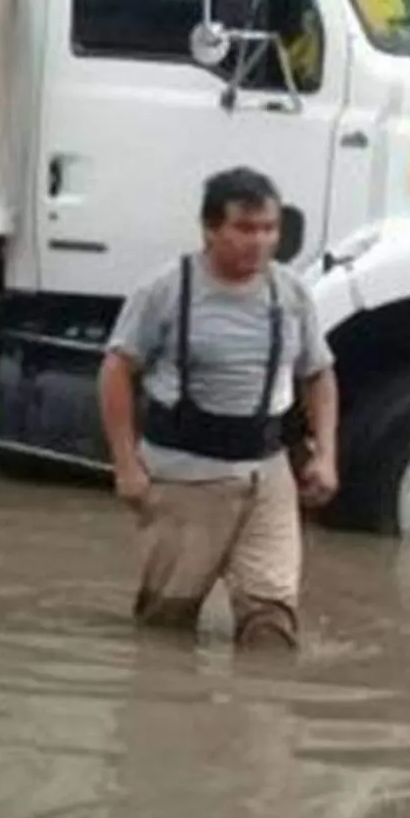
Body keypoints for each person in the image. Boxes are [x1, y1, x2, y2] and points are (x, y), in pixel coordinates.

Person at [96, 167, 339, 649]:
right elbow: (116, 371)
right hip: (185, 476)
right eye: (244, 229)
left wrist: (326, 455)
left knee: (271, 626)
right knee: (164, 631)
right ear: (210, 229)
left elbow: (318, 373)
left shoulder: (290, 293)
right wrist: (126, 467)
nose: (259, 242)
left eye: (269, 229)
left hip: (266, 475)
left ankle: (261, 720)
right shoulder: (164, 290)